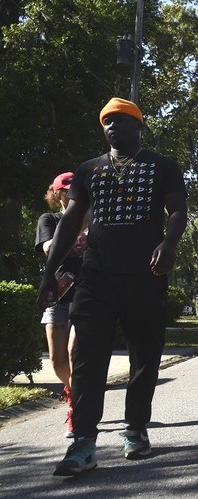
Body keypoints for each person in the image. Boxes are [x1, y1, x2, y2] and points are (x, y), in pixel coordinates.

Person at [37, 97, 187, 476]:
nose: (113, 127)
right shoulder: (88, 170)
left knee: (144, 355)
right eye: (107, 122)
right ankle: (83, 442)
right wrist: (48, 274)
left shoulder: (163, 166)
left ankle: (135, 429)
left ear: (140, 126)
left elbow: (178, 211)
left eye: (121, 121)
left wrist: (168, 245)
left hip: (145, 277)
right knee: (87, 359)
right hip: (96, 276)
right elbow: (71, 223)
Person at [35, 171, 87, 438]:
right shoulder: (50, 220)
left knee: (73, 352)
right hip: (57, 292)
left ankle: (78, 409)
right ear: (56, 193)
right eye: (65, 189)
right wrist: (77, 224)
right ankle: (73, 394)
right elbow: (49, 248)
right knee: (57, 361)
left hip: (88, 291)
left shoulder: (94, 218)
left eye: (74, 188)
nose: (70, 192)